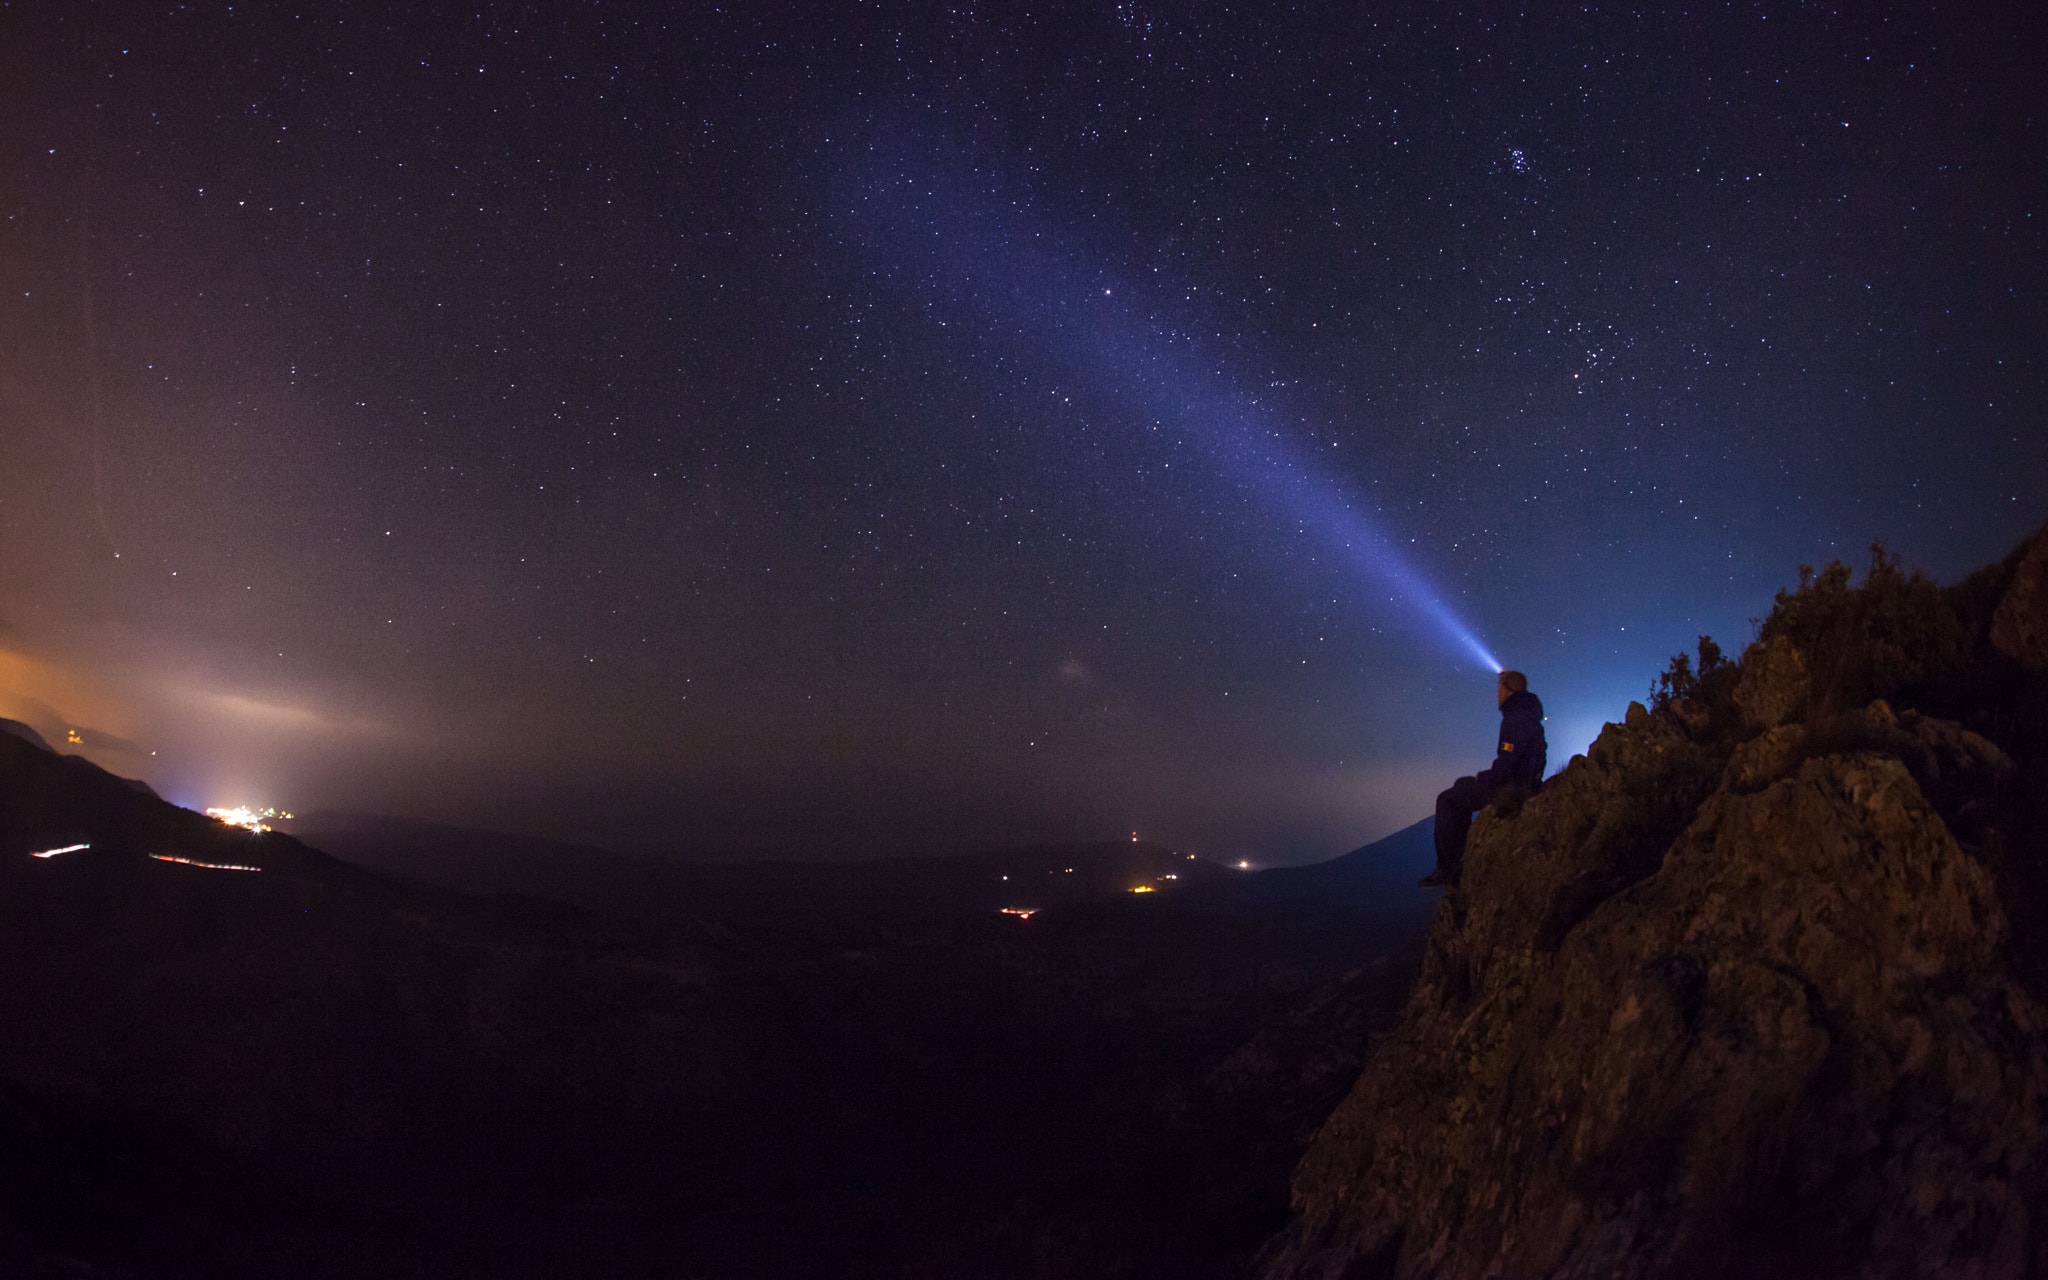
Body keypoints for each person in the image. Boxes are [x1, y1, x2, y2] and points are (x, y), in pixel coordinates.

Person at [1420, 670, 1546, 888]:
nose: (1497, 695)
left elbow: (1507, 764)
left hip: (1513, 788)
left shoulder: (1515, 719)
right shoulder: (1530, 716)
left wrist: (1485, 776)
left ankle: (1447, 867)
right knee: (1463, 786)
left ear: (1507, 691)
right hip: (1526, 783)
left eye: (1499, 690)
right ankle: (1457, 861)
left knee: (1448, 799)